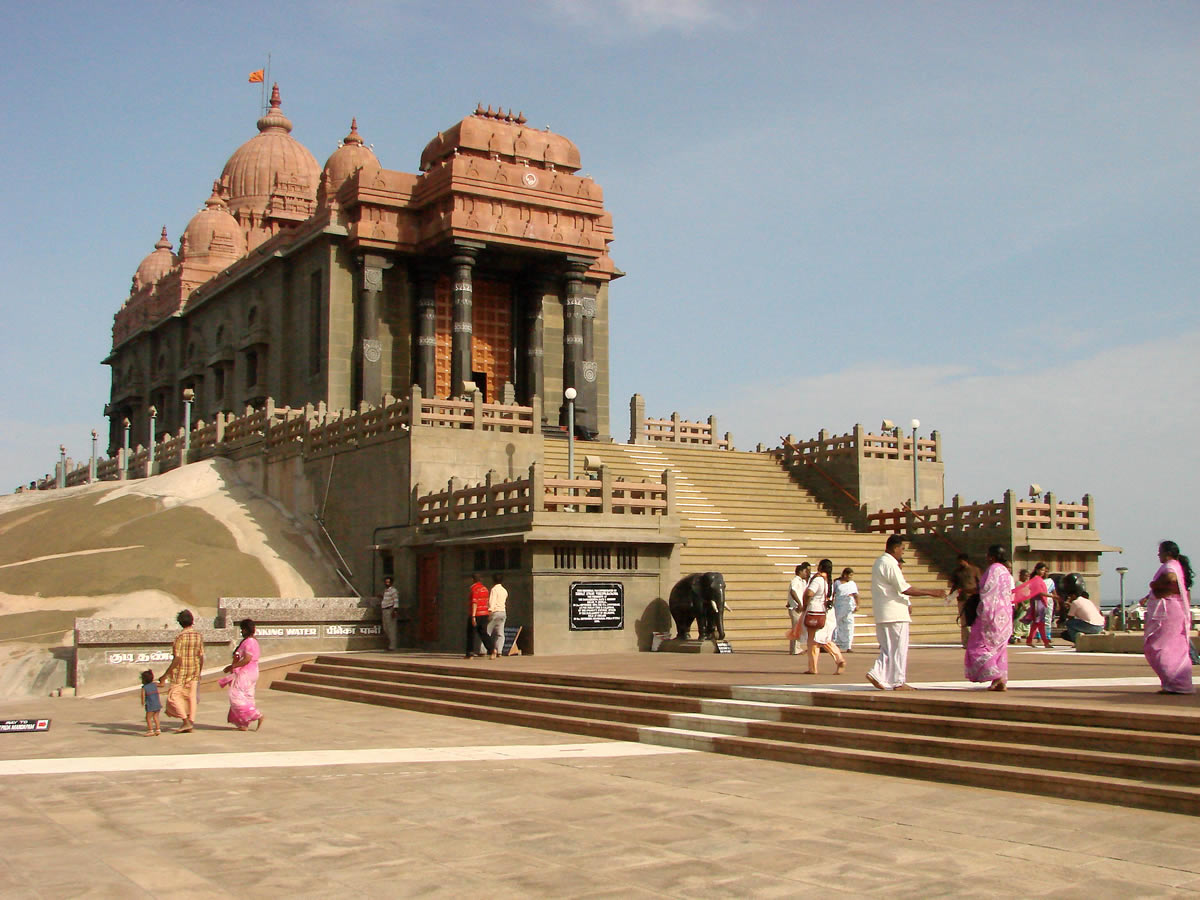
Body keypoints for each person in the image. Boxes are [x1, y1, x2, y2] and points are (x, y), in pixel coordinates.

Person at [865, 535, 947, 691]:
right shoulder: (889, 563)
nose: (903, 552)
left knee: (888, 648)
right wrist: (931, 592)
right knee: (898, 649)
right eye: (902, 549)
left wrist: (908, 602)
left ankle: (877, 672)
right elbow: (904, 588)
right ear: (895, 548)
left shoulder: (879, 562)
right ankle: (898, 681)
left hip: (884, 613)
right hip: (895, 613)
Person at [1143, 540, 1195, 695]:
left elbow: (1171, 579)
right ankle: (1175, 684)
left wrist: (1155, 585)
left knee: (1160, 647)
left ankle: (1175, 683)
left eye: (1160, 551)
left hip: (1169, 613)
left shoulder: (1170, 566)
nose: (1158, 554)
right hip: (1175, 611)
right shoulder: (1177, 566)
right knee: (1175, 648)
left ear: (1167, 553)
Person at [965, 544, 1015, 691]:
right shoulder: (1006, 571)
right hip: (1005, 614)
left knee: (978, 646)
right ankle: (998, 682)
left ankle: (996, 675)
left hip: (991, 614)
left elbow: (985, 591)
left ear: (991, 557)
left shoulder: (993, 569)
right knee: (998, 648)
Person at [159, 609, 204, 733]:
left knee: (173, 697)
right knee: (191, 697)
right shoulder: (198, 636)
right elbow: (201, 656)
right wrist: (199, 671)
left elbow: (177, 659)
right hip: (194, 670)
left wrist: (165, 675)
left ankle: (186, 721)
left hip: (181, 672)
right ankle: (191, 721)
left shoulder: (180, 637)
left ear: (180, 623)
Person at [801, 559, 846, 675]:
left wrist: (805, 603)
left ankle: (813, 667)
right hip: (827, 613)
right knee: (824, 640)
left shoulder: (818, 579)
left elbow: (809, 593)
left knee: (813, 641)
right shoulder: (828, 581)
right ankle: (838, 658)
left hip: (815, 612)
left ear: (820, 567)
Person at [220, 619, 265, 730]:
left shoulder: (249, 642)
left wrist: (232, 667)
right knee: (247, 696)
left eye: (242, 630)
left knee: (235, 695)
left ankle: (257, 715)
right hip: (253, 672)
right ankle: (243, 724)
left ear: (245, 629)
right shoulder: (253, 641)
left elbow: (247, 659)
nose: (241, 632)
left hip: (246, 672)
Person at [1015, 563, 1053, 649]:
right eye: (1042, 570)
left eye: (1044, 570)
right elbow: (1039, 592)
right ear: (1037, 570)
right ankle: (1045, 642)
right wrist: (1052, 596)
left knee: (1036, 624)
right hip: (1037, 603)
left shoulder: (1038, 579)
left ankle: (1030, 640)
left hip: (1041, 603)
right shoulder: (1036, 580)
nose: (1043, 572)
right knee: (1040, 623)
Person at [948, 553, 981, 648]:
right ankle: (966, 642)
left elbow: (980, 583)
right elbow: (954, 585)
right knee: (964, 621)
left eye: (960, 561)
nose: (959, 563)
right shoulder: (957, 572)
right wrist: (950, 597)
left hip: (974, 598)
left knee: (975, 620)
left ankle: (975, 641)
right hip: (962, 598)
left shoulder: (975, 570)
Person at [465, 573, 496, 659]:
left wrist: (473, 616)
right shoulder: (485, 589)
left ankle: (470, 653)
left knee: (471, 634)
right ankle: (492, 649)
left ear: (472, 580)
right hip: (484, 613)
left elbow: (474, 602)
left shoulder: (474, 589)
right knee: (483, 633)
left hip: (476, 614)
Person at [786, 563, 811, 655]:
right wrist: (799, 603)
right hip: (796, 607)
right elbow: (793, 591)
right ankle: (795, 649)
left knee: (798, 627)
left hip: (800, 607)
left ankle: (796, 647)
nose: (806, 573)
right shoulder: (795, 580)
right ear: (800, 571)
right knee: (796, 627)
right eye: (805, 571)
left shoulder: (802, 581)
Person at [831, 567, 858, 653]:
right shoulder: (837, 582)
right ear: (845, 574)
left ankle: (848, 645)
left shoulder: (852, 584)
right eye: (849, 575)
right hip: (839, 605)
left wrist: (857, 605)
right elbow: (832, 593)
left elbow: (856, 595)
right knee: (837, 624)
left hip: (848, 606)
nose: (850, 577)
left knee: (849, 625)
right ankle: (835, 643)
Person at [487, 573, 508, 658]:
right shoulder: (504, 590)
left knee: (487, 632)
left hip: (495, 612)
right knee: (500, 633)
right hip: (503, 612)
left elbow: (492, 601)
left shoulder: (494, 590)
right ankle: (499, 650)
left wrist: (489, 611)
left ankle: (484, 650)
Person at [380, 576, 400, 651]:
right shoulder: (386, 591)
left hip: (390, 610)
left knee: (391, 629)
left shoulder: (393, 591)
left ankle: (392, 646)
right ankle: (389, 644)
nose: (387, 583)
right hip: (384, 610)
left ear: (391, 583)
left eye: (388, 582)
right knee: (386, 628)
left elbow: (396, 601)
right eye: (386, 582)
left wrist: (395, 611)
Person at [139, 669, 161, 737]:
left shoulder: (144, 688)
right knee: (156, 717)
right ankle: (158, 729)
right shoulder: (155, 684)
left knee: (148, 718)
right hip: (157, 704)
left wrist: (143, 703)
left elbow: (142, 696)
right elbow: (162, 684)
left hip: (150, 705)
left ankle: (150, 730)